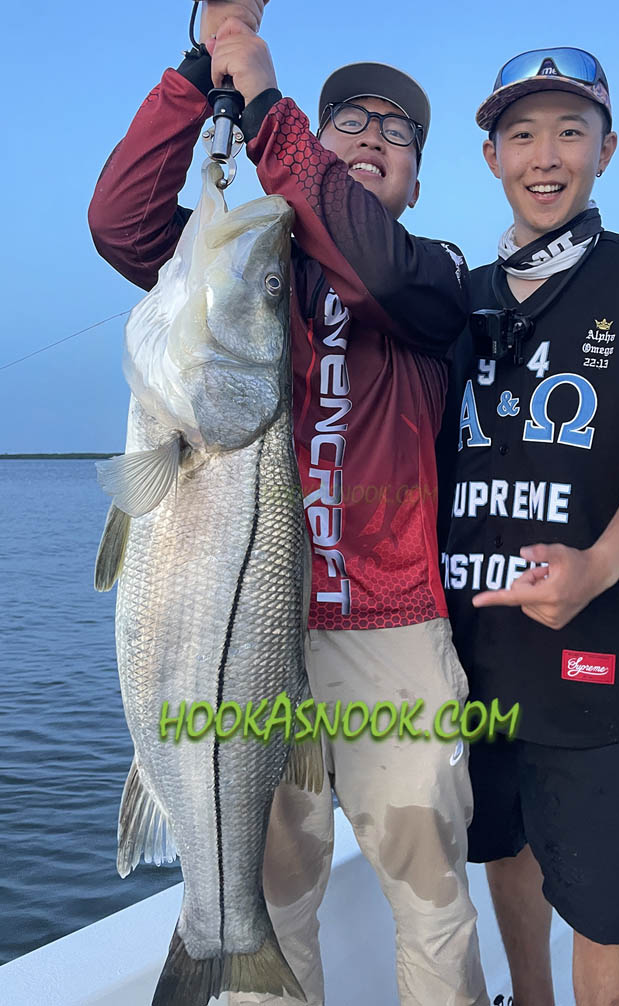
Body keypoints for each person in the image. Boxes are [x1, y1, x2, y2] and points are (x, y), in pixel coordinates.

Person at [89, 2, 489, 1003]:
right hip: (248, 633)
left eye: (396, 133)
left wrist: (270, 106)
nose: (369, 138)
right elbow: (123, 220)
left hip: (389, 629)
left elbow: (380, 265)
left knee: (430, 891)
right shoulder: (252, 267)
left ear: (416, 178)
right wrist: (199, 72)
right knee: (277, 896)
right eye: (348, 119)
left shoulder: (434, 278)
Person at [437, 46, 619, 1006]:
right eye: (521, 135)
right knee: (502, 848)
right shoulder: (456, 299)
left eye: (568, 132)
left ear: (607, 148)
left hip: (595, 661)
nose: (545, 155)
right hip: (472, 653)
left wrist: (594, 566)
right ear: (492, 157)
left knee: (607, 906)